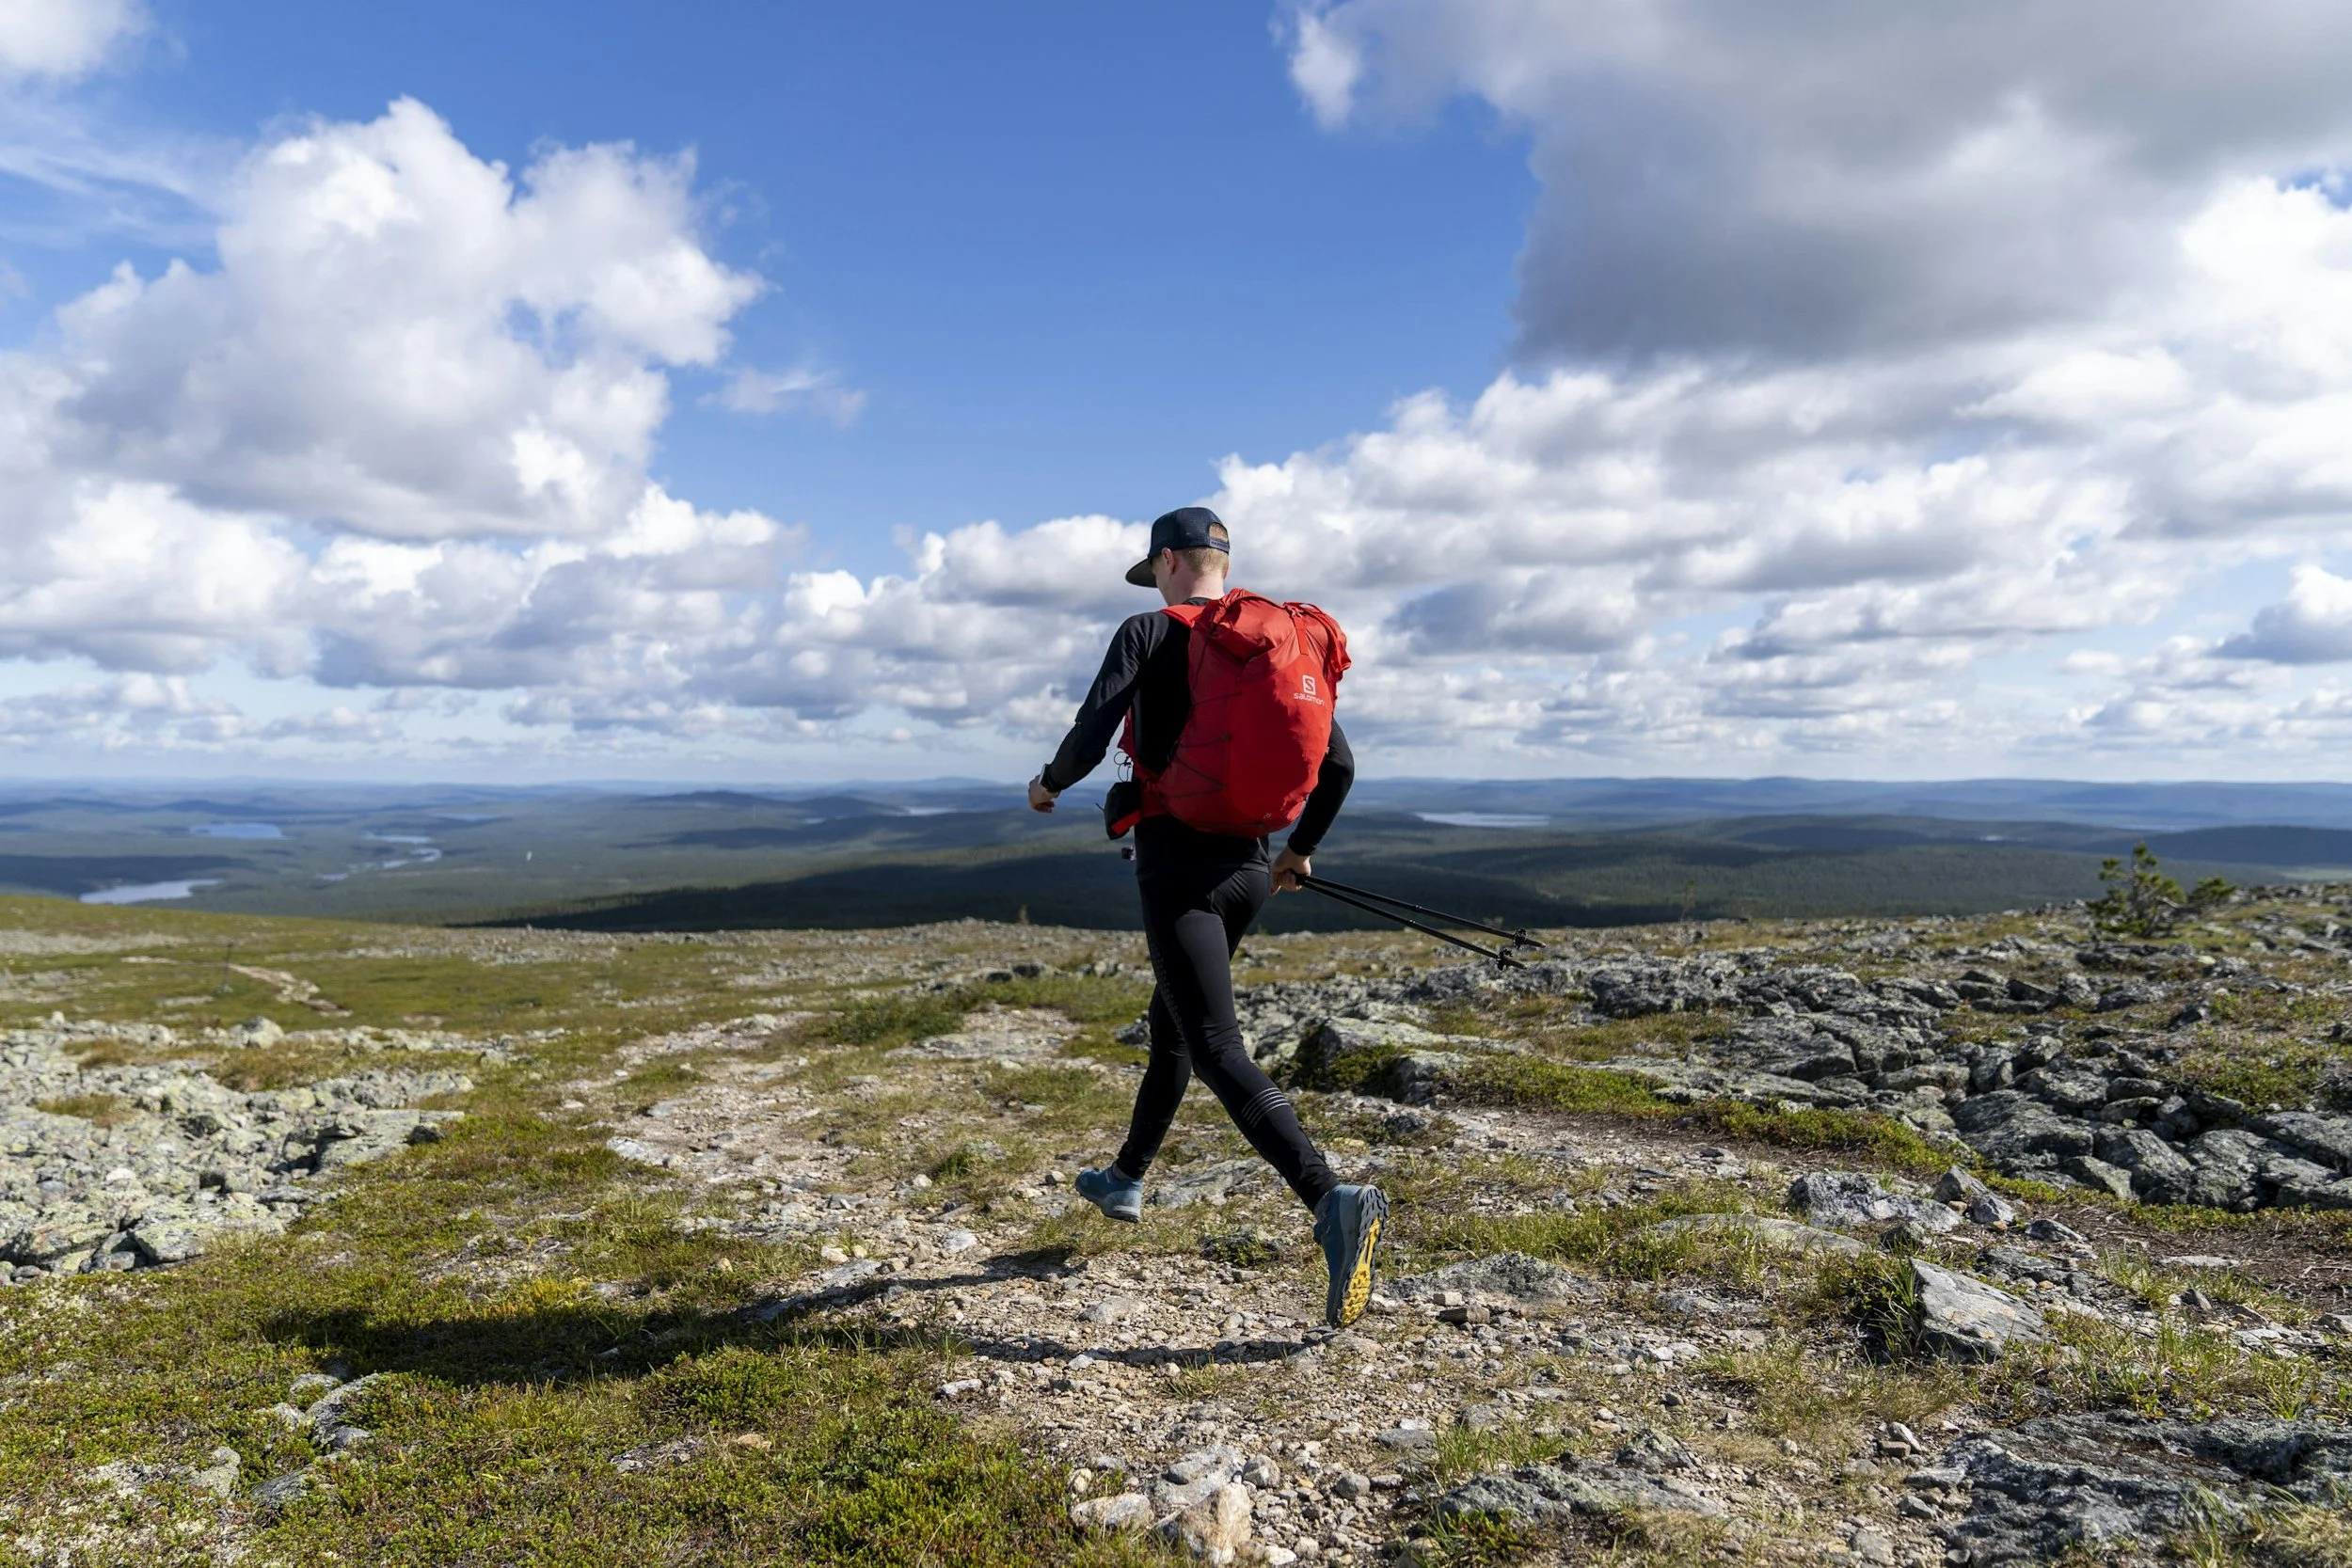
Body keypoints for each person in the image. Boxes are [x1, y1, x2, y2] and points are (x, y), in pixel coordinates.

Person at [1027, 505, 1389, 1328]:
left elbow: (1094, 727)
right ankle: (1125, 1176)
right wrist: (1299, 850)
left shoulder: (1150, 632)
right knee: (1175, 1023)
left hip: (1178, 867)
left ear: (1164, 563)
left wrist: (1049, 781)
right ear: (1221, 564)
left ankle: (1331, 1199)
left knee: (1217, 1042)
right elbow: (1339, 764)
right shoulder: (1266, 642)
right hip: (1250, 867)